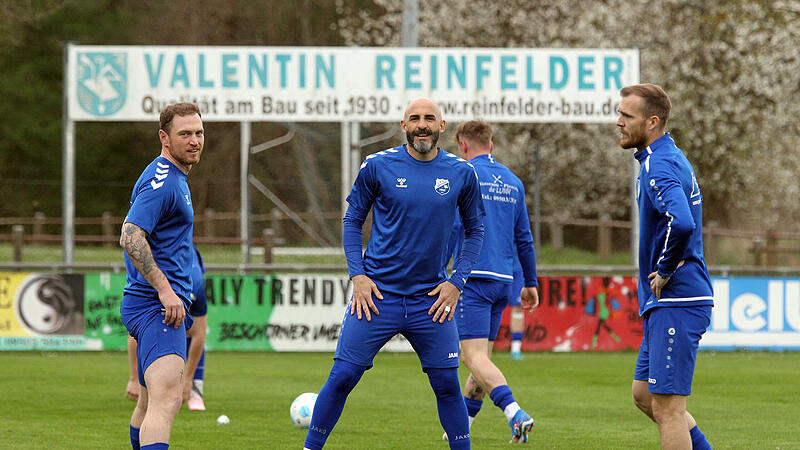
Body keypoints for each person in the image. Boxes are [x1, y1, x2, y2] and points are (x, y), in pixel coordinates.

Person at [303, 98, 486, 450]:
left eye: (429, 119)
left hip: (431, 301)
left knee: (447, 385)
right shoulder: (377, 166)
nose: (422, 124)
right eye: (414, 118)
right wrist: (357, 275)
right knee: (342, 377)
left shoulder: (461, 173)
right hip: (376, 297)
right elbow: (353, 220)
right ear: (403, 126)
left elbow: (476, 229)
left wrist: (455, 283)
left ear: (441, 126)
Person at [617, 84, 713, 450]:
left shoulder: (659, 163)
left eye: (627, 116)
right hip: (668, 304)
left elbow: (682, 221)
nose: (619, 122)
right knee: (644, 395)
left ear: (652, 122)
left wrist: (666, 268)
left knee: (669, 409)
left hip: (679, 300)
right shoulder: (664, 156)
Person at [445, 119, 540, 444]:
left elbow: (456, 227)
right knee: (480, 363)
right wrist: (530, 282)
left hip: (474, 278)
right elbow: (524, 238)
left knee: (472, 357)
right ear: (492, 145)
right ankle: (462, 429)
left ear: (463, 146)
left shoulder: (464, 174)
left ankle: (515, 413)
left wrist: (443, 267)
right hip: (503, 280)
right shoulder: (513, 182)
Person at [120, 102, 204, 450]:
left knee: (148, 400)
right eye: (184, 134)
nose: (194, 140)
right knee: (166, 400)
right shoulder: (164, 181)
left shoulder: (174, 177)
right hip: (157, 308)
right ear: (164, 138)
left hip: (153, 306)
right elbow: (130, 235)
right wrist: (167, 291)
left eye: (198, 133)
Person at [125, 245, 209, 412]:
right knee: (151, 331)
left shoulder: (197, 287)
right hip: (155, 275)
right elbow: (134, 335)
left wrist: (188, 379)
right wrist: (134, 378)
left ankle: (196, 390)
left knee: (186, 330)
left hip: (184, 268)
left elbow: (199, 333)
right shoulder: (148, 287)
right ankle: (145, 385)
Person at [508, 256, 525, 360]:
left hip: (517, 269)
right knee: (487, 306)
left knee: (518, 309)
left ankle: (516, 349)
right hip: (495, 267)